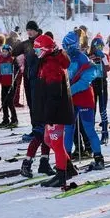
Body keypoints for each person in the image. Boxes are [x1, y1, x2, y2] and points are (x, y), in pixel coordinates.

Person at [31, 34, 76, 188]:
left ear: (45, 50)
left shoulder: (51, 64)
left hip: (57, 112)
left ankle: (61, 175)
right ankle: (68, 167)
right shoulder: (47, 60)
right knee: (48, 140)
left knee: (56, 143)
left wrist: (49, 115)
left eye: (38, 50)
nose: (36, 53)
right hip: (52, 111)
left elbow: (54, 93)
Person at [62, 31, 105, 171]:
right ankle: (66, 160)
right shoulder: (66, 58)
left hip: (84, 97)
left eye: (67, 45)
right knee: (68, 129)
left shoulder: (83, 59)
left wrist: (68, 91)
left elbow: (84, 83)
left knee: (89, 129)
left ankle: (98, 158)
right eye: (64, 45)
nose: (65, 48)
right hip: (71, 98)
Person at [12, 21, 42, 141]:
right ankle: (35, 129)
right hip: (28, 78)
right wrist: (17, 43)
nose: (29, 32)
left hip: (40, 79)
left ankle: (41, 129)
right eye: (28, 30)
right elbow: (13, 52)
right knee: (31, 104)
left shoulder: (42, 40)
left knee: (38, 105)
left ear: (36, 30)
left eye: (31, 30)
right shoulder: (26, 44)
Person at [0, 44, 18, 129]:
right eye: (3, 51)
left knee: (10, 102)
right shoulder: (0, 59)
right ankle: (5, 119)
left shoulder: (12, 59)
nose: (4, 53)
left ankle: (14, 119)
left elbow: (17, 69)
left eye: (6, 51)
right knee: (4, 103)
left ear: (9, 52)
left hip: (11, 84)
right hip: (4, 84)